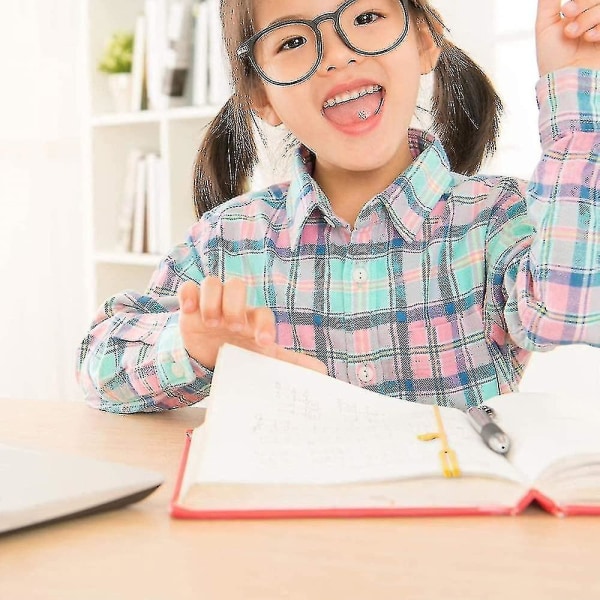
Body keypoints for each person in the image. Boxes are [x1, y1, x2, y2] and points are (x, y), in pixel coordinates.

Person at [77, 0, 600, 413]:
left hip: (456, 537)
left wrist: (575, 92)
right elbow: (99, 360)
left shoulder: (497, 219)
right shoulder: (228, 240)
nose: (337, 56)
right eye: (293, 41)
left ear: (424, 39)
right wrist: (192, 346)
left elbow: (567, 309)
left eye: (366, 17)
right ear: (260, 96)